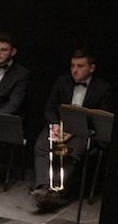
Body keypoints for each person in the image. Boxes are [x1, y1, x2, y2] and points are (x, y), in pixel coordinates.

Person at [30, 48, 113, 210]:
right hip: (58, 126)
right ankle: (44, 188)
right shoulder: (62, 82)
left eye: (80, 66)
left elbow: (102, 118)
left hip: (83, 132)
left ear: (92, 68)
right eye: (73, 66)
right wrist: (54, 125)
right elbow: (50, 108)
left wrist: (73, 131)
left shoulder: (103, 88)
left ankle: (55, 191)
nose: (75, 70)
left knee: (70, 153)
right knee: (41, 147)